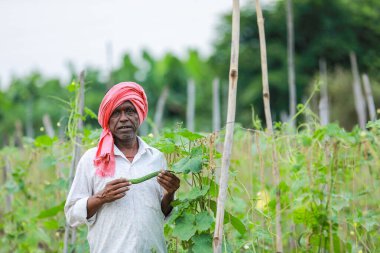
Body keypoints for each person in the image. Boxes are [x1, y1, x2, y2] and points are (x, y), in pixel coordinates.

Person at [64, 82, 180, 253]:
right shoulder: (92, 159)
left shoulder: (155, 158)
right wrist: (102, 197)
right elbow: (72, 214)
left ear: (139, 116)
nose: (124, 118)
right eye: (116, 112)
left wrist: (170, 193)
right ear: (107, 120)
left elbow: (160, 214)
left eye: (130, 111)